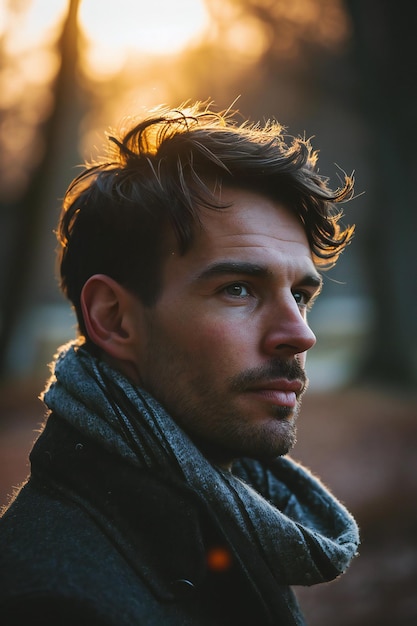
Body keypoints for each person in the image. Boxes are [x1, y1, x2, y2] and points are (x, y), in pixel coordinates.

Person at [0, 102, 359, 625]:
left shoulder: (236, 514)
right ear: (116, 318)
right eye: (238, 289)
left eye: (301, 295)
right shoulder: (54, 601)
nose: (300, 335)